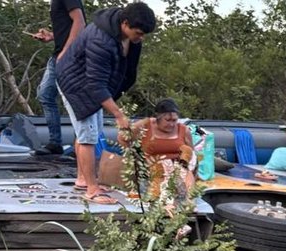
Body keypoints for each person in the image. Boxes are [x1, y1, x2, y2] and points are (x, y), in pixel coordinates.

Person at [55, 2, 158, 204]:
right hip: (76, 85)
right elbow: (95, 84)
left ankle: (83, 179)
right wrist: (119, 115)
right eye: (138, 32)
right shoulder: (100, 40)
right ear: (125, 23)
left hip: (92, 85)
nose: (141, 37)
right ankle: (92, 190)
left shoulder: (130, 36)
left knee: (91, 131)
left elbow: (126, 70)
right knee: (88, 135)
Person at [30, 0, 86, 155]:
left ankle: (80, 145)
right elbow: (68, 27)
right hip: (58, 55)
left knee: (74, 99)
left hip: (71, 55)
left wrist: (67, 50)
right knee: (45, 95)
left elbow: (80, 23)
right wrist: (51, 36)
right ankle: (55, 143)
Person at [128, 98, 195, 200]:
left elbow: (190, 152)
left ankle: (185, 202)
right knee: (157, 189)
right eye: (168, 120)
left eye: (174, 120)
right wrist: (133, 156)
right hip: (151, 168)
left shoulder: (183, 130)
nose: (171, 124)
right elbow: (122, 137)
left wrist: (187, 168)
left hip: (177, 166)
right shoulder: (145, 125)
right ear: (158, 117)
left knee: (184, 181)